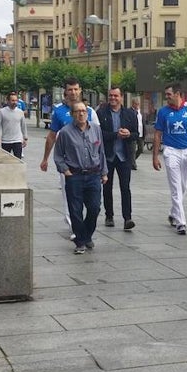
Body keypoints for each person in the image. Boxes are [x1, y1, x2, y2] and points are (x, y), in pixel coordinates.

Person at [40, 77, 97, 236]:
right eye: (70, 89)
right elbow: (52, 136)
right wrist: (45, 159)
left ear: (80, 91)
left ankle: (83, 226)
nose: (73, 92)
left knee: (91, 202)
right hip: (68, 162)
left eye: (76, 89)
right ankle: (75, 227)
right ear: (65, 91)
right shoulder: (58, 111)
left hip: (88, 163)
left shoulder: (90, 111)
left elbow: (96, 136)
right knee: (70, 196)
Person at [53, 102, 107, 255]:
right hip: (75, 175)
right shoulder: (65, 132)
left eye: (84, 111)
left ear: (88, 113)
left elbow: (101, 151)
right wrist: (66, 171)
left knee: (95, 207)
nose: (81, 114)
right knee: (75, 210)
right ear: (72, 114)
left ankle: (86, 234)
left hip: (93, 175)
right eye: (78, 111)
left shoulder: (96, 130)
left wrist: (104, 172)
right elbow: (58, 155)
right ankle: (80, 241)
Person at [153, 82, 187, 235]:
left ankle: (173, 212)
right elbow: (157, 134)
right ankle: (181, 222)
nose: (167, 97)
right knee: (176, 187)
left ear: (178, 94)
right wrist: (155, 156)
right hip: (171, 151)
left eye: (169, 94)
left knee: (183, 186)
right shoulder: (163, 112)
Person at [96, 85, 139, 230]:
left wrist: (128, 134)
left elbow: (136, 134)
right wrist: (116, 135)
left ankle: (128, 218)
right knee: (107, 187)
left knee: (125, 187)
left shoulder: (129, 114)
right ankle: (109, 215)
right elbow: (99, 133)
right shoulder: (101, 113)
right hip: (108, 156)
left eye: (116, 96)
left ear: (121, 97)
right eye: (111, 96)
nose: (113, 98)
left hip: (124, 156)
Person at [0, 91, 28, 159]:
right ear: (8, 101)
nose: (15, 102)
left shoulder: (20, 112)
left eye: (16, 100)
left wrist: (25, 137)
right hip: (6, 140)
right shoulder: (2, 111)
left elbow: (23, 125)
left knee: (18, 160)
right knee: (5, 161)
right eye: (12, 100)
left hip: (17, 140)